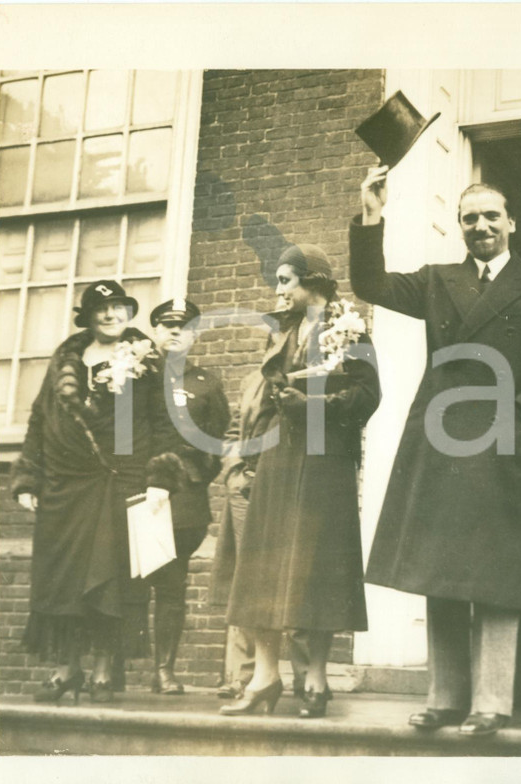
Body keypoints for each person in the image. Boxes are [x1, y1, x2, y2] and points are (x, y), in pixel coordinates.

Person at [351, 168, 521, 737]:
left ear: (511, 223)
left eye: (490, 216)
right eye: (469, 218)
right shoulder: (437, 280)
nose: (480, 226)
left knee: (496, 577)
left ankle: (492, 702)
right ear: (459, 227)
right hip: (444, 442)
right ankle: (446, 697)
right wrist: (372, 215)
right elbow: (370, 285)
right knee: (442, 571)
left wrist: (518, 418)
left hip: (505, 443)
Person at [221, 245, 380, 719]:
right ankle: (266, 677)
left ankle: (315, 679)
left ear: (314, 281)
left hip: (325, 460)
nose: (278, 289)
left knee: (319, 569)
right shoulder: (283, 332)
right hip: (278, 456)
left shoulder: (349, 327)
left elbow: (368, 397)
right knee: (264, 567)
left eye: (286, 280)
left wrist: (312, 406)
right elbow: (263, 398)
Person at [10, 280, 176, 704]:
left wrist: (159, 476)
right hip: (64, 487)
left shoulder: (147, 361)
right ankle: (67, 671)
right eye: (101, 309)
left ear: (128, 313)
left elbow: (164, 424)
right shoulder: (65, 360)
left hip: (120, 480)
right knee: (62, 579)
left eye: (119, 307)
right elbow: (39, 420)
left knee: (112, 578)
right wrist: (28, 478)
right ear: (87, 316)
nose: (111, 315)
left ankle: (103, 671)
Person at [212, 248, 313, 702]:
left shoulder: (288, 372)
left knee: (288, 577)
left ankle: (297, 675)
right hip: (246, 483)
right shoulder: (255, 380)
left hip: (278, 481)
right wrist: (235, 469)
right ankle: (244, 675)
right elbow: (237, 426)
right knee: (248, 579)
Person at [145, 298, 230, 695]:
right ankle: (106, 667)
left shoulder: (205, 383)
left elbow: (215, 439)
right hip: (135, 493)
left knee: (171, 584)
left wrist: (189, 474)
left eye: (185, 325)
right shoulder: (135, 375)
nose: (175, 331)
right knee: (124, 581)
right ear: (155, 331)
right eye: (166, 325)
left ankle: (165, 669)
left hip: (182, 500)